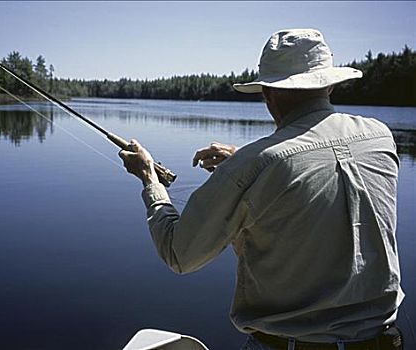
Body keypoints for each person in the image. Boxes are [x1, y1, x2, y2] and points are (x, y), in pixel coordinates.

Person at [118, 28, 404, 350]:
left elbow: (179, 254)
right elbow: (310, 163)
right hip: (383, 341)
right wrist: (243, 159)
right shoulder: (379, 137)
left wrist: (149, 179)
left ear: (267, 93)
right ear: (331, 84)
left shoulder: (254, 166)